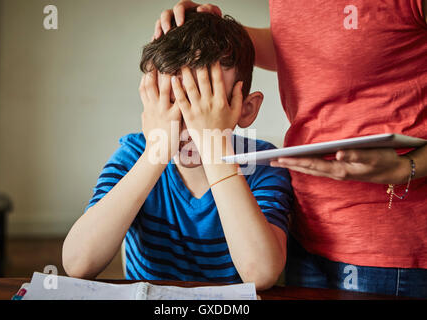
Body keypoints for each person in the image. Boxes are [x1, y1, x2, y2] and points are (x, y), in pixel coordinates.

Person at [156, 1, 427, 298]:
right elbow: (307, 42)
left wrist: (408, 167)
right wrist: (221, 34)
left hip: (391, 240)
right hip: (306, 228)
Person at [62, 11, 293, 290]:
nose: (187, 125)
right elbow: (77, 263)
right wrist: (155, 154)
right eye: (171, 103)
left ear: (246, 109)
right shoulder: (133, 155)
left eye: (205, 106)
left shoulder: (263, 165)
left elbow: (262, 274)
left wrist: (213, 149)